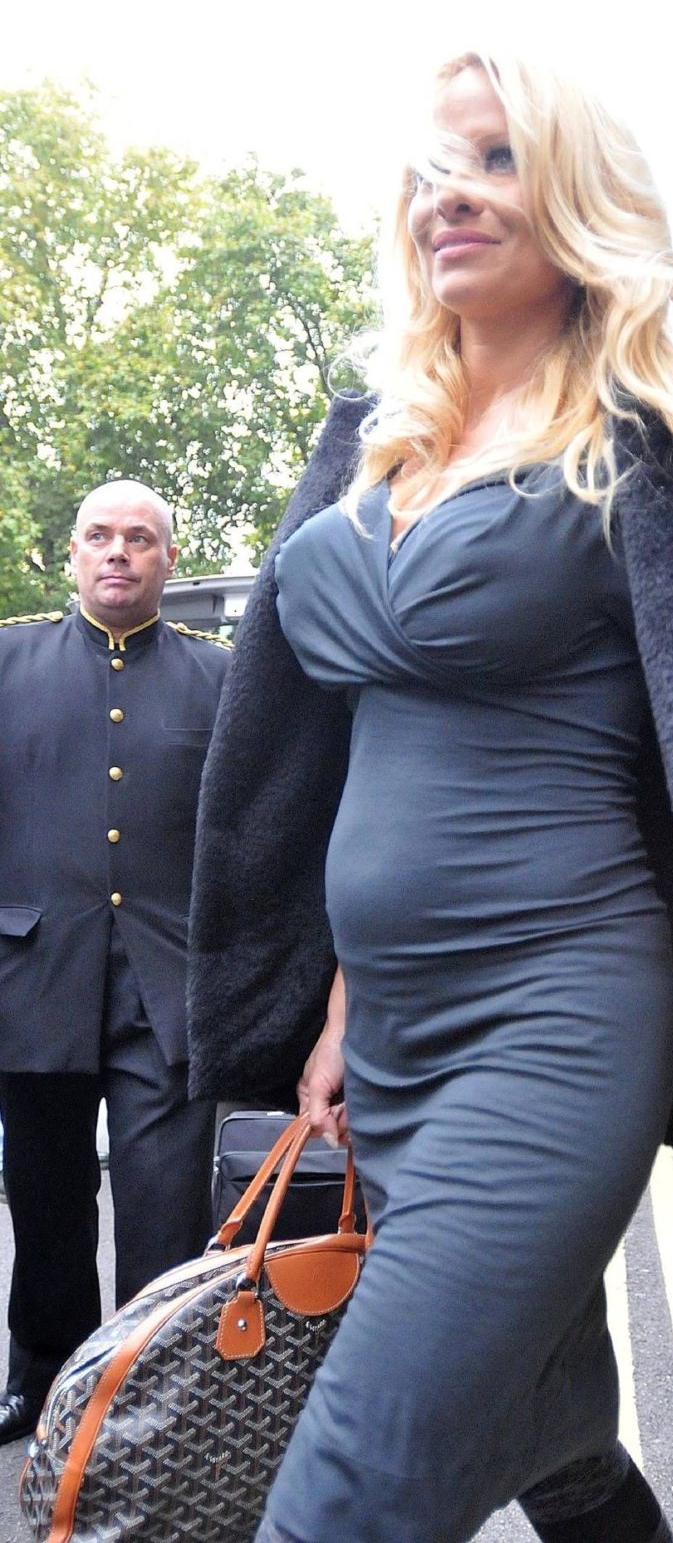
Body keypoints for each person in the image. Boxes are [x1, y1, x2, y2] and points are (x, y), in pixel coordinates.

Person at [187, 52, 673, 1543]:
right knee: (549, 1435)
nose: (449, 195)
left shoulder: (663, 453)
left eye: (494, 159)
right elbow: (337, 752)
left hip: (553, 1028)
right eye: (432, 169)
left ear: (575, 196)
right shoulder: (373, 442)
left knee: (341, 1493)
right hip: (392, 1045)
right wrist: (339, 999)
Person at [0, 480, 231, 1445]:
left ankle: (153, 1401)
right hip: (32, 976)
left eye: (140, 537)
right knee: (46, 1199)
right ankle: (45, 1380)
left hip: (166, 985)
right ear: (72, 553)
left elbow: (248, 834)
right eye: (99, 535)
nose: (118, 552)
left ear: (169, 558)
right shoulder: (8, 660)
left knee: (164, 1211)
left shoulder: (220, 677)